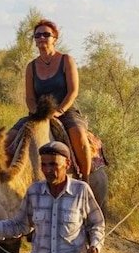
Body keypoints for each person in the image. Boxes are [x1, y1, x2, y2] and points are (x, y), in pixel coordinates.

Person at [6, 19, 93, 180]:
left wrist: (59, 111)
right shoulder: (31, 67)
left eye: (46, 34)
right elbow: (30, 98)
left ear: (55, 38)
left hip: (64, 111)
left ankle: (85, 180)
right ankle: (2, 182)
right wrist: (37, 113)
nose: (41, 38)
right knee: (6, 140)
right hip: (39, 113)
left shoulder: (66, 60)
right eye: (37, 35)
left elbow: (73, 91)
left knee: (79, 135)